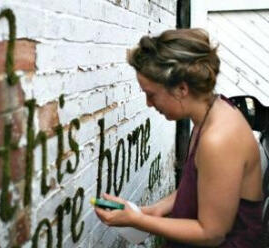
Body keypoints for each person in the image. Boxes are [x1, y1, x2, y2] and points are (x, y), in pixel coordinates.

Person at [94, 28, 264, 247]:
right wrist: (153, 210)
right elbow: (201, 185)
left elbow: (212, 233)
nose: (148, 103)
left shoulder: (218, 139)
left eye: (151, 94)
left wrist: (139, 220)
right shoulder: (210, 112)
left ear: (182, 88)